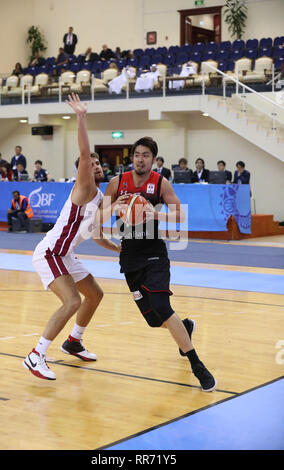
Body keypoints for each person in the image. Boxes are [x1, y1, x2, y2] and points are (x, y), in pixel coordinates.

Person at [100, 136, 217, 392]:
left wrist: (156, 213)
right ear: (132, 158)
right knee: (154, 320)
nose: (140, 159)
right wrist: (112, 210)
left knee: (162, 305)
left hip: (154, 253)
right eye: (137, 155)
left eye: (145, 155)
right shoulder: (116, 183)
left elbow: (180, 215)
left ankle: (197, 365)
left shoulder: (160, 183)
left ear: (154, 159)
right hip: (129, 256)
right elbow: (96, 219)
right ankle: (184, 327)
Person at [23, 94, 121, 381]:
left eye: (98, 161)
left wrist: (117, 249)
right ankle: (35, 355)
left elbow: (97, 234)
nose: (96, 164)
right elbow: (84, 150)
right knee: (72, 302)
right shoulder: (84, 187)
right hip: (50, 252)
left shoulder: (101, 198)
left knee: (95, 294)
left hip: (65, 255)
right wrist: (81, 116)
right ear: (83, 167)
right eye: (90, 161)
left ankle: (74, 341)